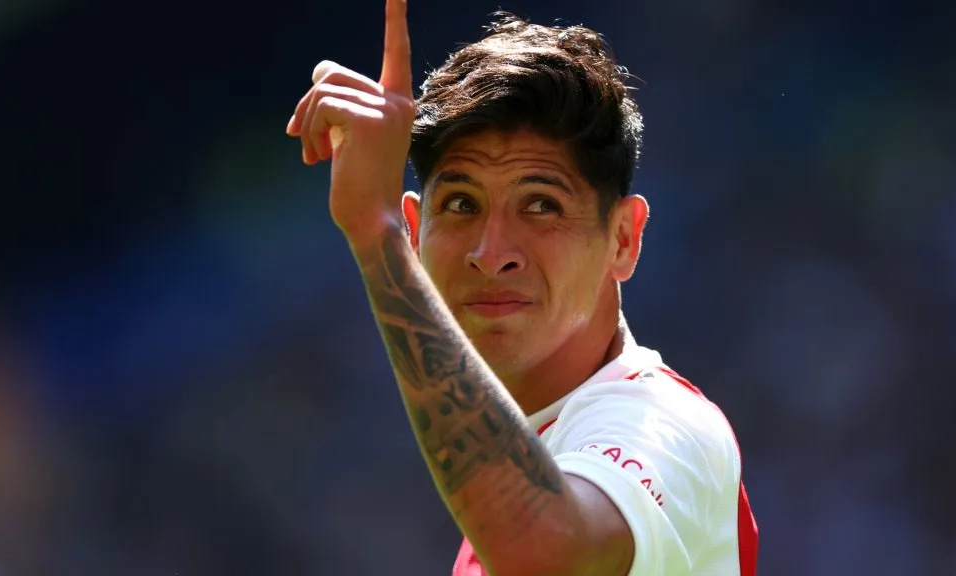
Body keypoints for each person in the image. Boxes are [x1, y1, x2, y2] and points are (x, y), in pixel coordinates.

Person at [285, 2, 758, 574]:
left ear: (623, 240)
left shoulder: (664, 424)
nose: (491, 254)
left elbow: (545, 552)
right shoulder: (524, 462)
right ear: (417, 233)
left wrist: (372, 231)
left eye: (541, 204)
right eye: (462, 204)